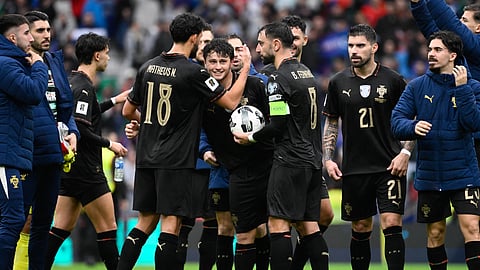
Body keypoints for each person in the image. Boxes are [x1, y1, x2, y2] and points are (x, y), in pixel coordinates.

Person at [118, 12, 251, 270]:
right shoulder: (194, 72)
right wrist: (244, 68)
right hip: (175, 159)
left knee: (144, 223)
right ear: (194, 37)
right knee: (171, 224)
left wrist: (149, 124)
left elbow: (126, 111)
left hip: (147, 156)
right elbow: (231, 102)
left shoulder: (147, 66)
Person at [235, 21, 328, 270]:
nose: (257, 49)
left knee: (277, 224)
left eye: (261, 44)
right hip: (311, 160)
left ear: (276, 45)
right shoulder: (307, 74)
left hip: (289, 160)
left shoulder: (277, 78)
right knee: (309, 227)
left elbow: (277, 124)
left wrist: (250, 137)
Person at [322, 24, 413, 270]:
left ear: (374, 47)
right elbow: (331, 122)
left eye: (360, 45)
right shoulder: (337, 82)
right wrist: (328, 158)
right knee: (360, 226)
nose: (354, 50)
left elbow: (409, 121)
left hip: (389, 165)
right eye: (351, 45)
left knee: (392, 222)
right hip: (355, 167)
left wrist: (405, 153)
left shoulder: (393, 80)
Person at [391, 30, 480, 270]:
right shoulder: (417, 86)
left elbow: (474, 123)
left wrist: (461, 90)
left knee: (472, 227)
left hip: (463, 172)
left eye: (437, 49)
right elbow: (396, 121)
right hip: (430, 174)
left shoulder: (472, 87)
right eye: (430, 49)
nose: (431, 53)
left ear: (453, 55)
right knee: (436, 233)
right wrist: (412, 126)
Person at [44, 32, 129, 270]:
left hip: (69, 167)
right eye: (107, 52)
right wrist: (109, 144)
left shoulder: (72, 81)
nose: (109, 58)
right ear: (96, 54)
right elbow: (80, 128)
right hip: (87, 169)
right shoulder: (83, 87)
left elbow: (85, 114)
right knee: (108, 228)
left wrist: (114, 100)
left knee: (60, 228)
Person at [12, 11, 79, 270]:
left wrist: (73, 131)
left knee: (42, 224)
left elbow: (65, 108)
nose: (47, 35)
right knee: (17, 221)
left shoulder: (54, 61)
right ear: (26, 34)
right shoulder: (16, 63)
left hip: (52, 155)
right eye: (39, 30)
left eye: (48, 29)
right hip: (26, 155)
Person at [202, 38, 272, 270]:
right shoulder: (202, 91)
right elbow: (191, 126)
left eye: (223, 60)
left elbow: (276, 123)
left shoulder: (258, 85)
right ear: (204, 61)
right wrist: (204, 150)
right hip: (228, 169)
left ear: (233, 60)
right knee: (233, 230)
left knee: (261, 228)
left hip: (261, 167)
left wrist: (255, 138)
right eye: (213, 61)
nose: (218, 66)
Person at [0, 13, 48, 270]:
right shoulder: (5, 64)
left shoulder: (12, 62)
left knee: (13, 219)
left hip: (11, 155)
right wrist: (39, 65)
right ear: (12, 37)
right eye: (27, 33)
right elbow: (33, 93)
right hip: (3, 157)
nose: (31, 38)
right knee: (12, 219)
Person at [409, 0, 480, 166]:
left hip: (476, 138)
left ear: (478, 28)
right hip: (457, 135)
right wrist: (417, 4)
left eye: (464, 20)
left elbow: (450, 23)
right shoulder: (458, 50)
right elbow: (430, 29)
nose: (459, 23)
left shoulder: (477, 46)